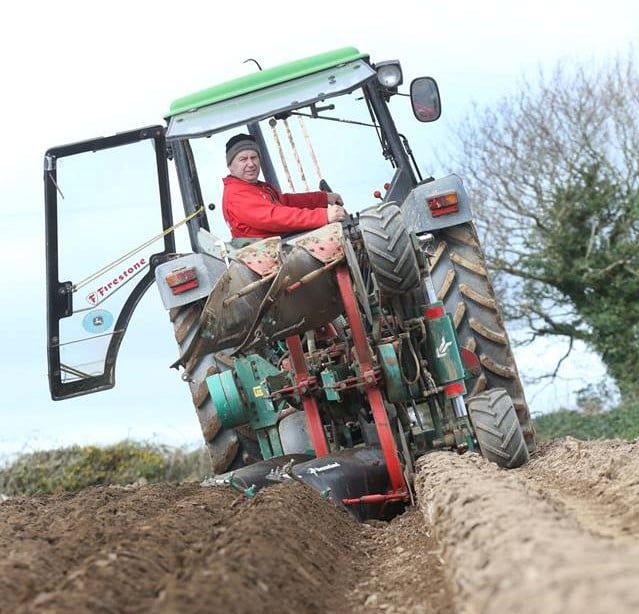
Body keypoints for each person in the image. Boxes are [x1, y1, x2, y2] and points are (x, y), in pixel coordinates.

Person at [221, 133, 346, 239]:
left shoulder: (256, 188)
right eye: (243, 159)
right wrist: (323, 216)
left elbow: (285, 202)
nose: (251, 164)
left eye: (254, 158)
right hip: (270, 260)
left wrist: (323, 198)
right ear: (230, 165)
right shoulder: (236, 195)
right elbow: (275, 217)